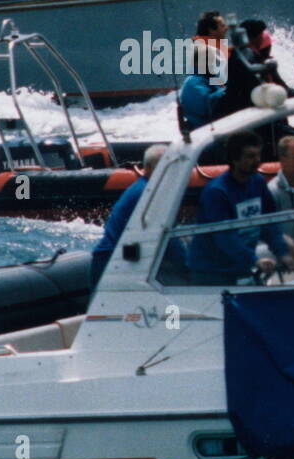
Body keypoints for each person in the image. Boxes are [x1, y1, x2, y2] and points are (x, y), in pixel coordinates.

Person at [186, 132, 294, 285]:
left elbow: (269, 222)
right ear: (234, 159)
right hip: (212, 272)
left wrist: (282, 252)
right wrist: (254, 260)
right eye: (250, 156)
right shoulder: (217, 192)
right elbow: (225, 237)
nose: (257, 161)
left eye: (258, 155)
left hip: (240, 265)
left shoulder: (258, 182)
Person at [91, 144, 167, 286]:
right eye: (163, 168)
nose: (168, 173)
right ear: (149, 168)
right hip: (113, 262)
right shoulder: (146, 193)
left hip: (119, 259)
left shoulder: (145, 187)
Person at [178, 41, 227, 131]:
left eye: (213, 59)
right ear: (196, 62)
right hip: (201, 130)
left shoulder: (211, 78)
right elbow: (207, 106)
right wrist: (226, 91)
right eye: (207, 59)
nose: (212, 62)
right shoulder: (192, 82)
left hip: (217, 125)